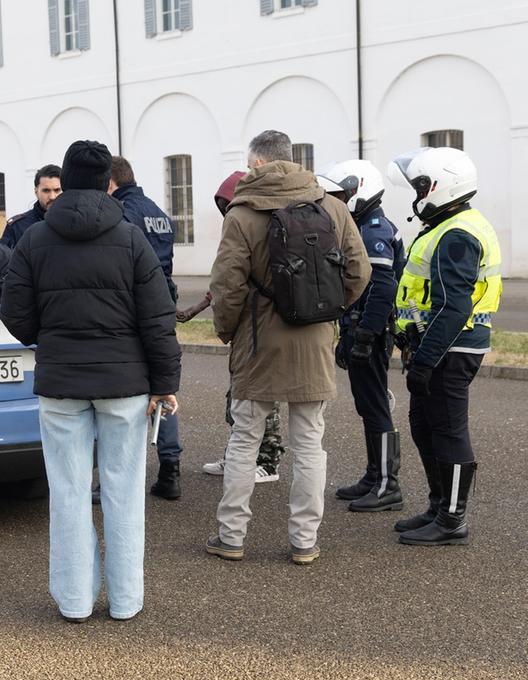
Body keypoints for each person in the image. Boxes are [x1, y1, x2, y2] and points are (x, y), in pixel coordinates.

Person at [0, 140, 181, 622]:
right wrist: (165, 382)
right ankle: (125, 600)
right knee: (124, 492)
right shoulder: (130, 238)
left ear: (66, 181)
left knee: (67, 491)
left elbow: (13, 312)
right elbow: (158, 317)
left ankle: (75, 601)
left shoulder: (33, 239)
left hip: (61, 383)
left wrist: (49, 338)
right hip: (125, 384)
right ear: (107, 184)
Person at [206, 130, 369, 565]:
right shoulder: (332, 206)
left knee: (245, 441)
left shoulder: (241, 214)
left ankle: (232, 536)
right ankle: (304, 542)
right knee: (310, 444)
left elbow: (227, 285)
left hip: (258, 342)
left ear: (257, 164)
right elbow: (359, 270)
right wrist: (329, 309)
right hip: (314, 340)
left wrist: (228, 330)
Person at [388, 147, 501, 546]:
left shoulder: (457, 233)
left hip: (452, 348)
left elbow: (454, 306)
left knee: (449, 429)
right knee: (424, 425)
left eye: (419, 186)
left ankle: (453, 519)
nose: (416, 195)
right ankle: (439, 504)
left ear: (439, 186)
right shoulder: (445, 224)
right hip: (437, 346)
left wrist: (425, 361)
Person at [317, 160, 407, 511]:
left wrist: (366, 334)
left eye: (341, 193)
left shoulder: (373, 230)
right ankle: (375, 475)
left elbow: (383, 288)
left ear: (359, 190)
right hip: (361, 328)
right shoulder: (364, 226)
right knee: (368, 406)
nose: (336, 200)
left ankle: (387, 484)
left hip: (372, 330)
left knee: (376, 406)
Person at [201, 171, 285, 484]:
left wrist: (225, 323)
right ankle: (240, 456)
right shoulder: (246, 223)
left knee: (262, 396)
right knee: (238, 395)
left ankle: (267, 460)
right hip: (246, 324)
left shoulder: (258, 225)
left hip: (259, 324)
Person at [107, 156, 184, 500]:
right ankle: (170, 467)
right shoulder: (157, 211)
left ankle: (120, 474)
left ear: (110, 183)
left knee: (126, 390)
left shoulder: (122, 213)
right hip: (164, 300)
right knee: (163, 386)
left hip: (135, 305)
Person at [0, 164, 62, 251]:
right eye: (46, 191)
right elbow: (5, 261)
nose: (52, 196)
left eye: (57, 190)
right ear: (36, 191)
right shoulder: (17, 227)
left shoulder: (75, 223)